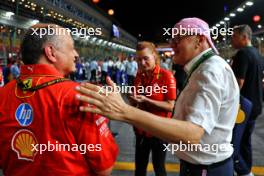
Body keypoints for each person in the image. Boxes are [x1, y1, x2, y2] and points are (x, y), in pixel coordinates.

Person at [76, 17, 240, 176]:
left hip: (205, 169)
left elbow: (192, 133)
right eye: (172, 38)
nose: (172, 43)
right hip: (198, 165)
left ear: (199, 40)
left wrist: (124, 111)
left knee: (158, 166)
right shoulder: (205, 68)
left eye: (178, 38)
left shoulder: (209, 71)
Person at [0, 23, 118, 176]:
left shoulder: (3, 94)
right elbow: (104, 168)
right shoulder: (79, 96)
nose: (76, 54)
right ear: (51, 53)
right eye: (71, 48)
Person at [130, 41, 176, 176]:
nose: (142, 63)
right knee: (139, 168)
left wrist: (146, 100)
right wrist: (132, 100)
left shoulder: (166, 76)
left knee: (159, 167)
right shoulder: (139, 76)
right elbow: (135, 104)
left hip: (159, 132)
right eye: (139, 60)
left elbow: (170, 106)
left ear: (154, 57)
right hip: (141, 131)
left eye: (145, 58)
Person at [231, 24, 263, 176]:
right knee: (245, 142)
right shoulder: (257, 54)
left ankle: (244, 172)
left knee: (233, 144)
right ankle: (247, 169)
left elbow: (238, 84)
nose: (232, 39)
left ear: (244, 37)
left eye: (234, 36)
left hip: (243, 108)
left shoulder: (242, 54)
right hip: (256, 105)